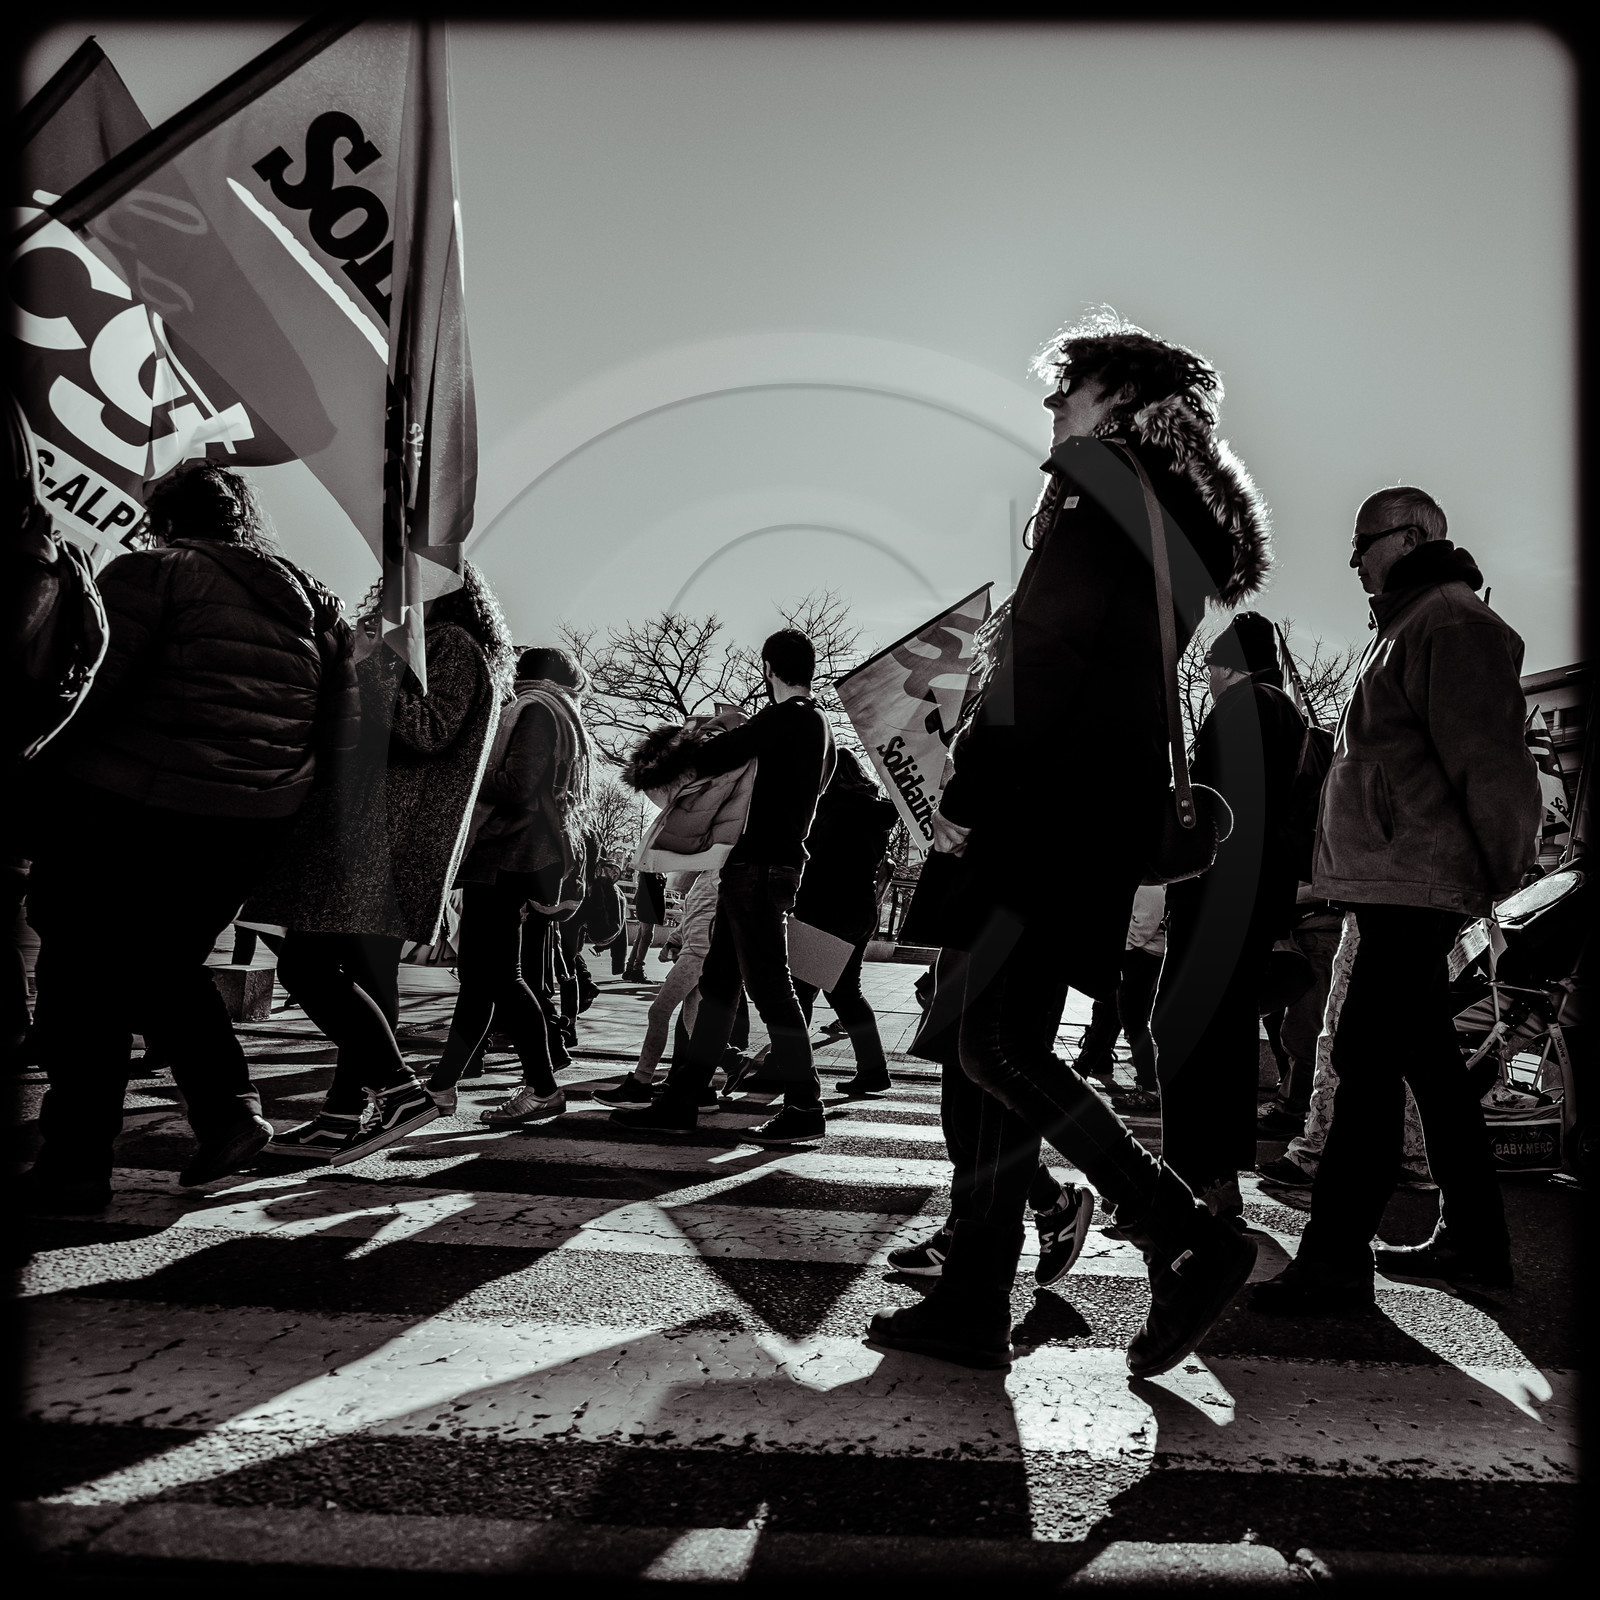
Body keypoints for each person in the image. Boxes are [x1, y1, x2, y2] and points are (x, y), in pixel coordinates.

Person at [868, 310, 1270, 1374]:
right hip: (1081, 815)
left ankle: (1185, 1234)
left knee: (989, 1045)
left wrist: (966, 787)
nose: (1050, 405)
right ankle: (973, 1292)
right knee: (989, 1050)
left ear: (1123, 406)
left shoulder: (1098, 503)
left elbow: (1042, 660)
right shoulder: (1156, 519)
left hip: (1039, 814)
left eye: (1069, 387)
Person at [21, 464, 358, 1208]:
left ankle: (76, 1165)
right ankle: (228, 1112)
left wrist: (35, 771)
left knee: (83, 976)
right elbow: (341, 735)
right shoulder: (315, 604)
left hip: (125, 801)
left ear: (165, 519)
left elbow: (93, 692)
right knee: (161, 963)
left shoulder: (151, 573)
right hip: (249, 823)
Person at [1253, 486, 1540, 1312]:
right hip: (1397, 883)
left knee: (1365, 1066)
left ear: (1414, 536)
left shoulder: (1452, 625)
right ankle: (1477, 1241)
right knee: (1427, 1071)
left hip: (1414, 889)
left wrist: (1501, 868)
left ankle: (1337, 1259)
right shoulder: (1414, 625)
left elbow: (1492, 764)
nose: (1355, 562)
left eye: (1364, 544)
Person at [244, 561, 508, 1161]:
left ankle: (399, 1089)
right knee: (349, 975)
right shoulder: (433, 645)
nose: (386, 597)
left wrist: (369, 667)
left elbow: (430, 730)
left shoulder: (452, 645)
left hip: (385, 837)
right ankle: (341, 1115)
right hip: (375, 831)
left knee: (308, 967)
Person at [612, 628, 836, 1145]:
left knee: (770, 990)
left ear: (768, 669)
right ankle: (682, 1100)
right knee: (719, 987)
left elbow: (708, 759)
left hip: (755, 869)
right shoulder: (819, 726)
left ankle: (805, 1105)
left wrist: (707, 727)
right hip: (772, 867)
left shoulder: (785, 719)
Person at [1153, 612, 1304, 1222]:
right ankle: (1213, 1180)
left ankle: (1198, 1179)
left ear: (1228, 665)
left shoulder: (1242, 709)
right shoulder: (1284, 712)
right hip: (1252, 904)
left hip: (1219, 902)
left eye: (1211, 668)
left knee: (1188, 1034)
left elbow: (1218, 815)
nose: (1207, 680)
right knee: (1220, 1038)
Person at [428, 645, 593, 1124]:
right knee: (481, 982)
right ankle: (441, 1087)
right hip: (512, 856)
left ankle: (543, 1087)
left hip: (506, 854)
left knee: (498, 977)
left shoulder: (534, 710)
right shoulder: (554, 710)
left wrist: (466, 769)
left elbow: (519, 785)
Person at [788, 750, 900, 1096]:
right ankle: (873, 1069)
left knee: (801, 990)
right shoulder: (874, 811)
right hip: (860, 909)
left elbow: (814, 862)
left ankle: (788, 1069)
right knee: (847, 993)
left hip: (825, 908)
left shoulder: (829, 809)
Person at [594, 868, 721, 1105]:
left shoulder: (719, 872)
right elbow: (696, 914)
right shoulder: (709, 873)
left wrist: (682, 942)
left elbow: (712, 917)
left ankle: (640, 1084)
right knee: (693, 1024)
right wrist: (675, 939)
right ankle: (705, 1090)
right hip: (698, 950)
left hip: (699, 954)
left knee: (659, 1011)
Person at [1106, 884, 1167, 1114]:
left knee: (1134, 1020)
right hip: (1141, 953)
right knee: (1132, 1020)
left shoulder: (1148, 882)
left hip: (1143, 955)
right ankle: (1149, 1087)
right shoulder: (1147, 880)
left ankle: (1149, 1089)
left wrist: (1126, 943)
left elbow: (1145, 925)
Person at [624, 868, 667, 982]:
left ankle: (630, 967)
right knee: (646, 937)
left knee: (641, 936)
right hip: (648, 906)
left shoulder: (650, 871)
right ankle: (637, 969)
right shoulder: (650, 870)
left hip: (647, 905)